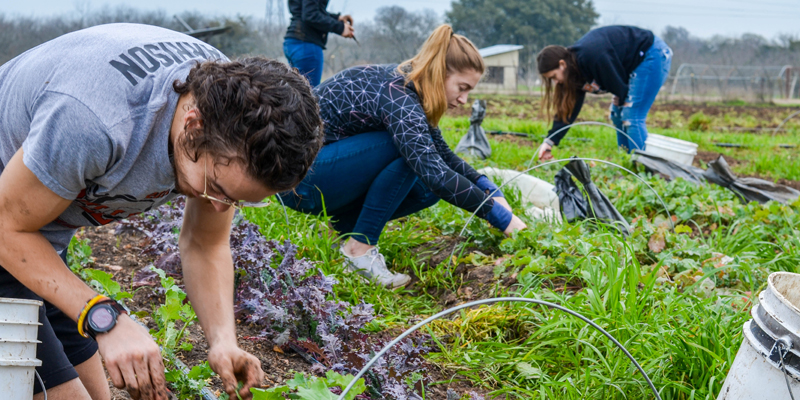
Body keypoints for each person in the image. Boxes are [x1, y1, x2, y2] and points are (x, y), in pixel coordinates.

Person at [0, 23, 323, 400]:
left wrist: (222, 341)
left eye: (236, 200)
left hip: (35, 230)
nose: (217, 207)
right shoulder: (96, 121)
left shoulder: (232, 104)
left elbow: (205, 244)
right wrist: (104, 319)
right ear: (193, 124)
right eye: (216, 189)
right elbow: (6, 228)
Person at [279, 24, 528, 288]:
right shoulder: (399, 97)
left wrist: (489, 189)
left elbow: (443, 155)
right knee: (414, 157)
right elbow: (434, 169)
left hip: (322, 171)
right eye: (462, 87)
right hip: (297, 179)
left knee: (426, 189)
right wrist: (503, 219)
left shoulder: (410, 87)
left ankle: (345, 229)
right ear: (439, 73)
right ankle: (358, 251)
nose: (464, 99)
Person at [536, 25, 673, 160]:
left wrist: (621, 93)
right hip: (633, 63)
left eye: (554, 76)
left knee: (632, 116)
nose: (556, 82)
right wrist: (549, 141)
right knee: (617, 115)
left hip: (651, 53)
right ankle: (626, 164)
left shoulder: (591, 55)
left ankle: (643, 169)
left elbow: (616, 81)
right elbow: (568, 110)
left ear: (562, 64)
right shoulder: (573, 73)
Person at [284, 0, 355, 86]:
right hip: (307, 45)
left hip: (293, 42)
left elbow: (306, 9)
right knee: (311, 94)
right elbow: (310, 15)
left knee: (296, 92)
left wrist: (336, 18)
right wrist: (340, 28)